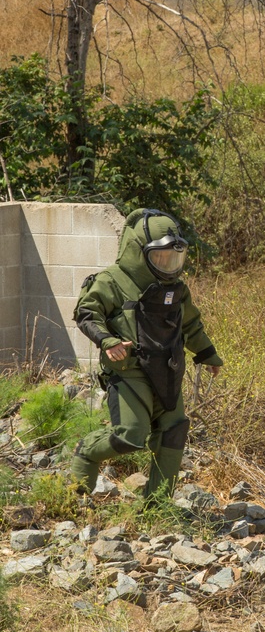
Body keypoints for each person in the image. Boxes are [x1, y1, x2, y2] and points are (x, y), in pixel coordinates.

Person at [70, 208, 223, 499]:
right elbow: (87, 314)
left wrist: (207, 354)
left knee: (174, 431)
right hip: (129, 369)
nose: (167, 265)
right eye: (159, 256)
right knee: (130, 435)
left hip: (168, 367)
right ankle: (86, 456)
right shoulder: (111, 281)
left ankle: (157, 506)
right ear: (138, 252)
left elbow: (190, 324)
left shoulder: (176, 289)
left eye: (173, 258)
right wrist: (108, 341)